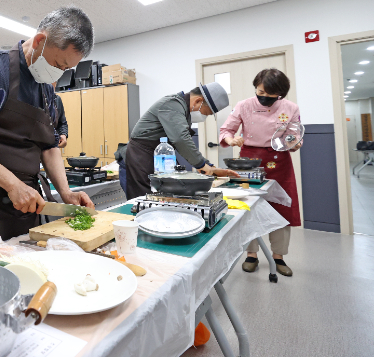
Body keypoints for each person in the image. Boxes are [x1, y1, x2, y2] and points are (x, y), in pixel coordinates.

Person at [0, 6, 95, 240]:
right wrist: (13, 185)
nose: (59, 74)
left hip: (29, 203)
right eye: (58, 64)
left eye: (65, 69)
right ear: (39, 41)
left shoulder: (47, 90)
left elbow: (49, 146)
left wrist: (66, 193)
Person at [220, 69, 302, 277]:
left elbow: (294, 135)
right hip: (249, 160)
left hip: (279, 160)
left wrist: (294, 143)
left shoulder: (291, 108)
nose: (263, 97)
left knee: (281, 208)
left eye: (269, 94)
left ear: (280, 94)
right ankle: (251, 254)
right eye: (260, 92)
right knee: (248, 207)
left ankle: (278, 256)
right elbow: (226, 131)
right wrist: (231, 140)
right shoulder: (244, 105)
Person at [125, 82, 240, 199]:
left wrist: (209, 166)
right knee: (143, 197)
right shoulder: (172, 105)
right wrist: (201, 164)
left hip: (162, 153)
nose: (204, 117)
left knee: (169, 192)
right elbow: (180, 139)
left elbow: (185, 145)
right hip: (142, 154)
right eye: (206, 113)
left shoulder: (183, 111)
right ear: (198, 101)